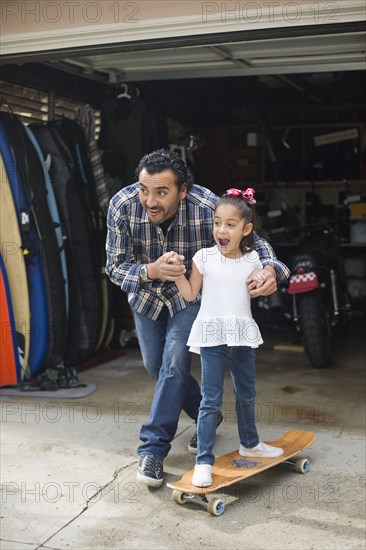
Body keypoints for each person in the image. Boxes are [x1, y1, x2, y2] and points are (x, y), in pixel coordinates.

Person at [105, 149, 290, 488]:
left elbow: (257, 244)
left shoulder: (208, 207)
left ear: (183, 189)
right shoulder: (122, 205)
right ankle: (210, 413)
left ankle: (153, 450)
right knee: (155, 366)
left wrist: (271, 270)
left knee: (174, 363)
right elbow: (114, 266)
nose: (150, 200)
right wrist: (150, 270)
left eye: (161, 192)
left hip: (188, 296)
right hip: (146, 296)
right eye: (145, 189)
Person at [168, 187, 284, 487]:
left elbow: (262, 281)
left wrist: (263, 277)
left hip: (242, 334)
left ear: (246, 229)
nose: (221, 229)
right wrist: (178, 273)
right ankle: (203, 459)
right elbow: (191, 293)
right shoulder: (203, 258)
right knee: (210, 400)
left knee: (247, 394)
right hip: (211, 336)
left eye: (230, 225)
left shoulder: (254, 260)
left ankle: (251, 443)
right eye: (217, 222)